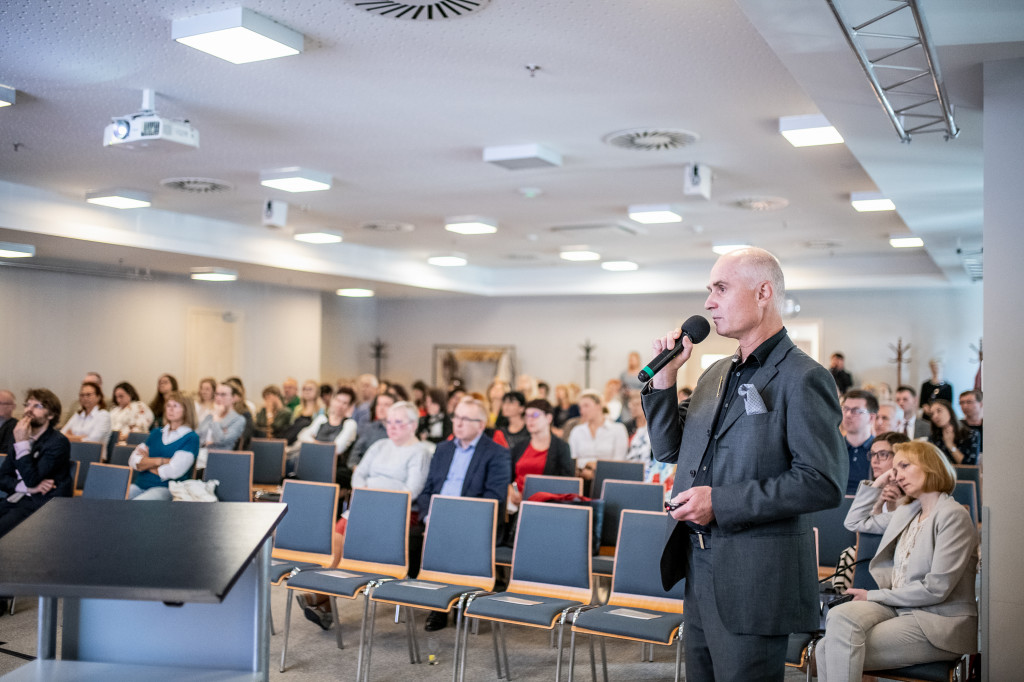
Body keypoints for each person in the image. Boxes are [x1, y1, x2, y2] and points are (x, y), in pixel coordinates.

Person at [643, 247, 847, 681]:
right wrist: (664, 382)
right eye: (708, 290)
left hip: (755, 575)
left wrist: (721, 502)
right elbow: (670, 449)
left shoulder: (803, 376)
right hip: (699, 565)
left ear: (763, 292)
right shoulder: (715, 372)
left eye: (720, 288)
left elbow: (822, 482)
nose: (708, 302)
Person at [817, 441, 978, 681]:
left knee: (826, 648)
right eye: (894, 469)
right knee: (838, 621)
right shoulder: (909, 511)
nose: (897, 476)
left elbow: (936, 589)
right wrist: (879, 482)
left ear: (930, 466)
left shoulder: (952, 515)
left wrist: (873, 595)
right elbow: (854, 522)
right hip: (901, 608)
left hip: (938, 622)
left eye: (904, 466)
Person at [415, 397, 510, 631]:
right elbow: (426, 491)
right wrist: (430, 517)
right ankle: (438, 604)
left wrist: (455, 519)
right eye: (456, 416)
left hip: (473, 521)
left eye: (465, 419)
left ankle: (457, 601)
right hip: (436, 519)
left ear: (480, 424)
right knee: (410, 538)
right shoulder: (443, 449)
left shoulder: (496, 453)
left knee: (450, 538)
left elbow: (494, 499)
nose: (458, 423)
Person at [0, 388, 72, 539]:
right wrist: (27, 488)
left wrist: (22, 444)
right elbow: (2, 478)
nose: (29, 410)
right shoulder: (18, 436)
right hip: (17, 496)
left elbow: (32, 479)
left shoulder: (58, 442)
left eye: (37, 406)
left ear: (51, 415)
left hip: (40, 504)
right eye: (27, 404)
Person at [350, 401, 430, 499]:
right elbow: (359, 474)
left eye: (398, 422)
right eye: (389, 422)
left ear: (413, 425)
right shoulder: (380, 445)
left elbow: (411, 491)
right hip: (365, 499)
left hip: (393, 506)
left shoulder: (420, 453)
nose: (392, 427)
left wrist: (379, 499)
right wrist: (363, 493)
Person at [128, 392, 200, 500]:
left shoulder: (191, 437)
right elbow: (133, 461)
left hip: (166, 488)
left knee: (135, 505)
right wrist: (161, 461)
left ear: (186, 410)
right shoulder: (156, 433)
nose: (170, 409)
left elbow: (173, 471)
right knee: (112, 499)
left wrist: (146, 463)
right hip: (140, 484)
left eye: (175, 406)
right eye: (168, 405)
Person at [507, 399, 574, 508]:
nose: (530, 420)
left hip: (546, 504)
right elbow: (510, 479)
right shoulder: (520, 446)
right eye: (527, 416)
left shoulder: (561, 447)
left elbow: (566, 483)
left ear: (549, 418)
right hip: (516, 504)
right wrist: (513, 492)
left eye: (535, 415)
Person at [845, 431, 912, 530]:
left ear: (900, 457)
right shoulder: (873, 491)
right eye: (872, 454)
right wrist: (877, 507)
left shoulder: (911, 497)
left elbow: (853, 523)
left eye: (882, 454)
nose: (874, 460)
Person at [291, 388, 358, 482]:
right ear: (333, 400)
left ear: (350, 406)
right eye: (338, 400)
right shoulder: (322, 419)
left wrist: (314, 444)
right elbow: (302, 436)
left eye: (345, 403)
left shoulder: (350, 424)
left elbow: (337, 449)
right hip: (315, 461)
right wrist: (319, 443)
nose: (340, 405)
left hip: (335, 466)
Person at [567, 390, 628, 484]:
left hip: (610, 479)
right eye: (580, 407)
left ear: (599, 406)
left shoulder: (618, 429)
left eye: (586, 406)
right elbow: (572, 459)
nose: (582, 411)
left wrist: (596, 467)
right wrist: (586, 467)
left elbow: (619, 461)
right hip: (582, 477)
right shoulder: (577, 431)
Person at [61, 381, 112, 460]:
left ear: (98, 397)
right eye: (82, 395)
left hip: (94, 458)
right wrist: (80, 438)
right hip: (73, 454)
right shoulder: (78, 415)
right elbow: (61, 436)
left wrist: (70, 437)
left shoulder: (103, 415)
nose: (84, 398)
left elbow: (92, 442)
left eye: (88, 395)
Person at [841, 389, 878, 495]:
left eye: (856, 411)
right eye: (845, 409)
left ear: (871, 417)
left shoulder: (880, 452)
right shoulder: (832, 448)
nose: (848, 414)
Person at [197, 382, 246, 458]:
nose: (218, 398)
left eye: (223, 395)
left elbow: (221, 441)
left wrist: (216, 419)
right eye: (216, 394)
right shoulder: (210, 416)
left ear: (233, 398)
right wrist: (207, 442)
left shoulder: (238, 419)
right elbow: (197, 435)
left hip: (220, 458)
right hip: (201, 454)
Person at [347, 393, 394, 468]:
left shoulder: (398, 431)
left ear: (394, 408)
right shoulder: (368, 428)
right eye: (379, 404)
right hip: (364, 470)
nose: (381, 408)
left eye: (386, 405)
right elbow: (355, 453)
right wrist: (355, 469)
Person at [927, 399, 980, 465]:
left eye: (939, 411)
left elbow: (970, 466)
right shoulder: (933, 437)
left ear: (950, 411)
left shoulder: (971, 434)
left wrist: (950, 445)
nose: (935, 416)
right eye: (932, 414)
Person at [281, 379, 321, 446]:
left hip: (308, 442)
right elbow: (292, 426)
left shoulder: (320, 409)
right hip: (293, 441)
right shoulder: (298, 409)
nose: (307, 392)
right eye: (304, 389)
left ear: (316, 392)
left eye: (310, 389)